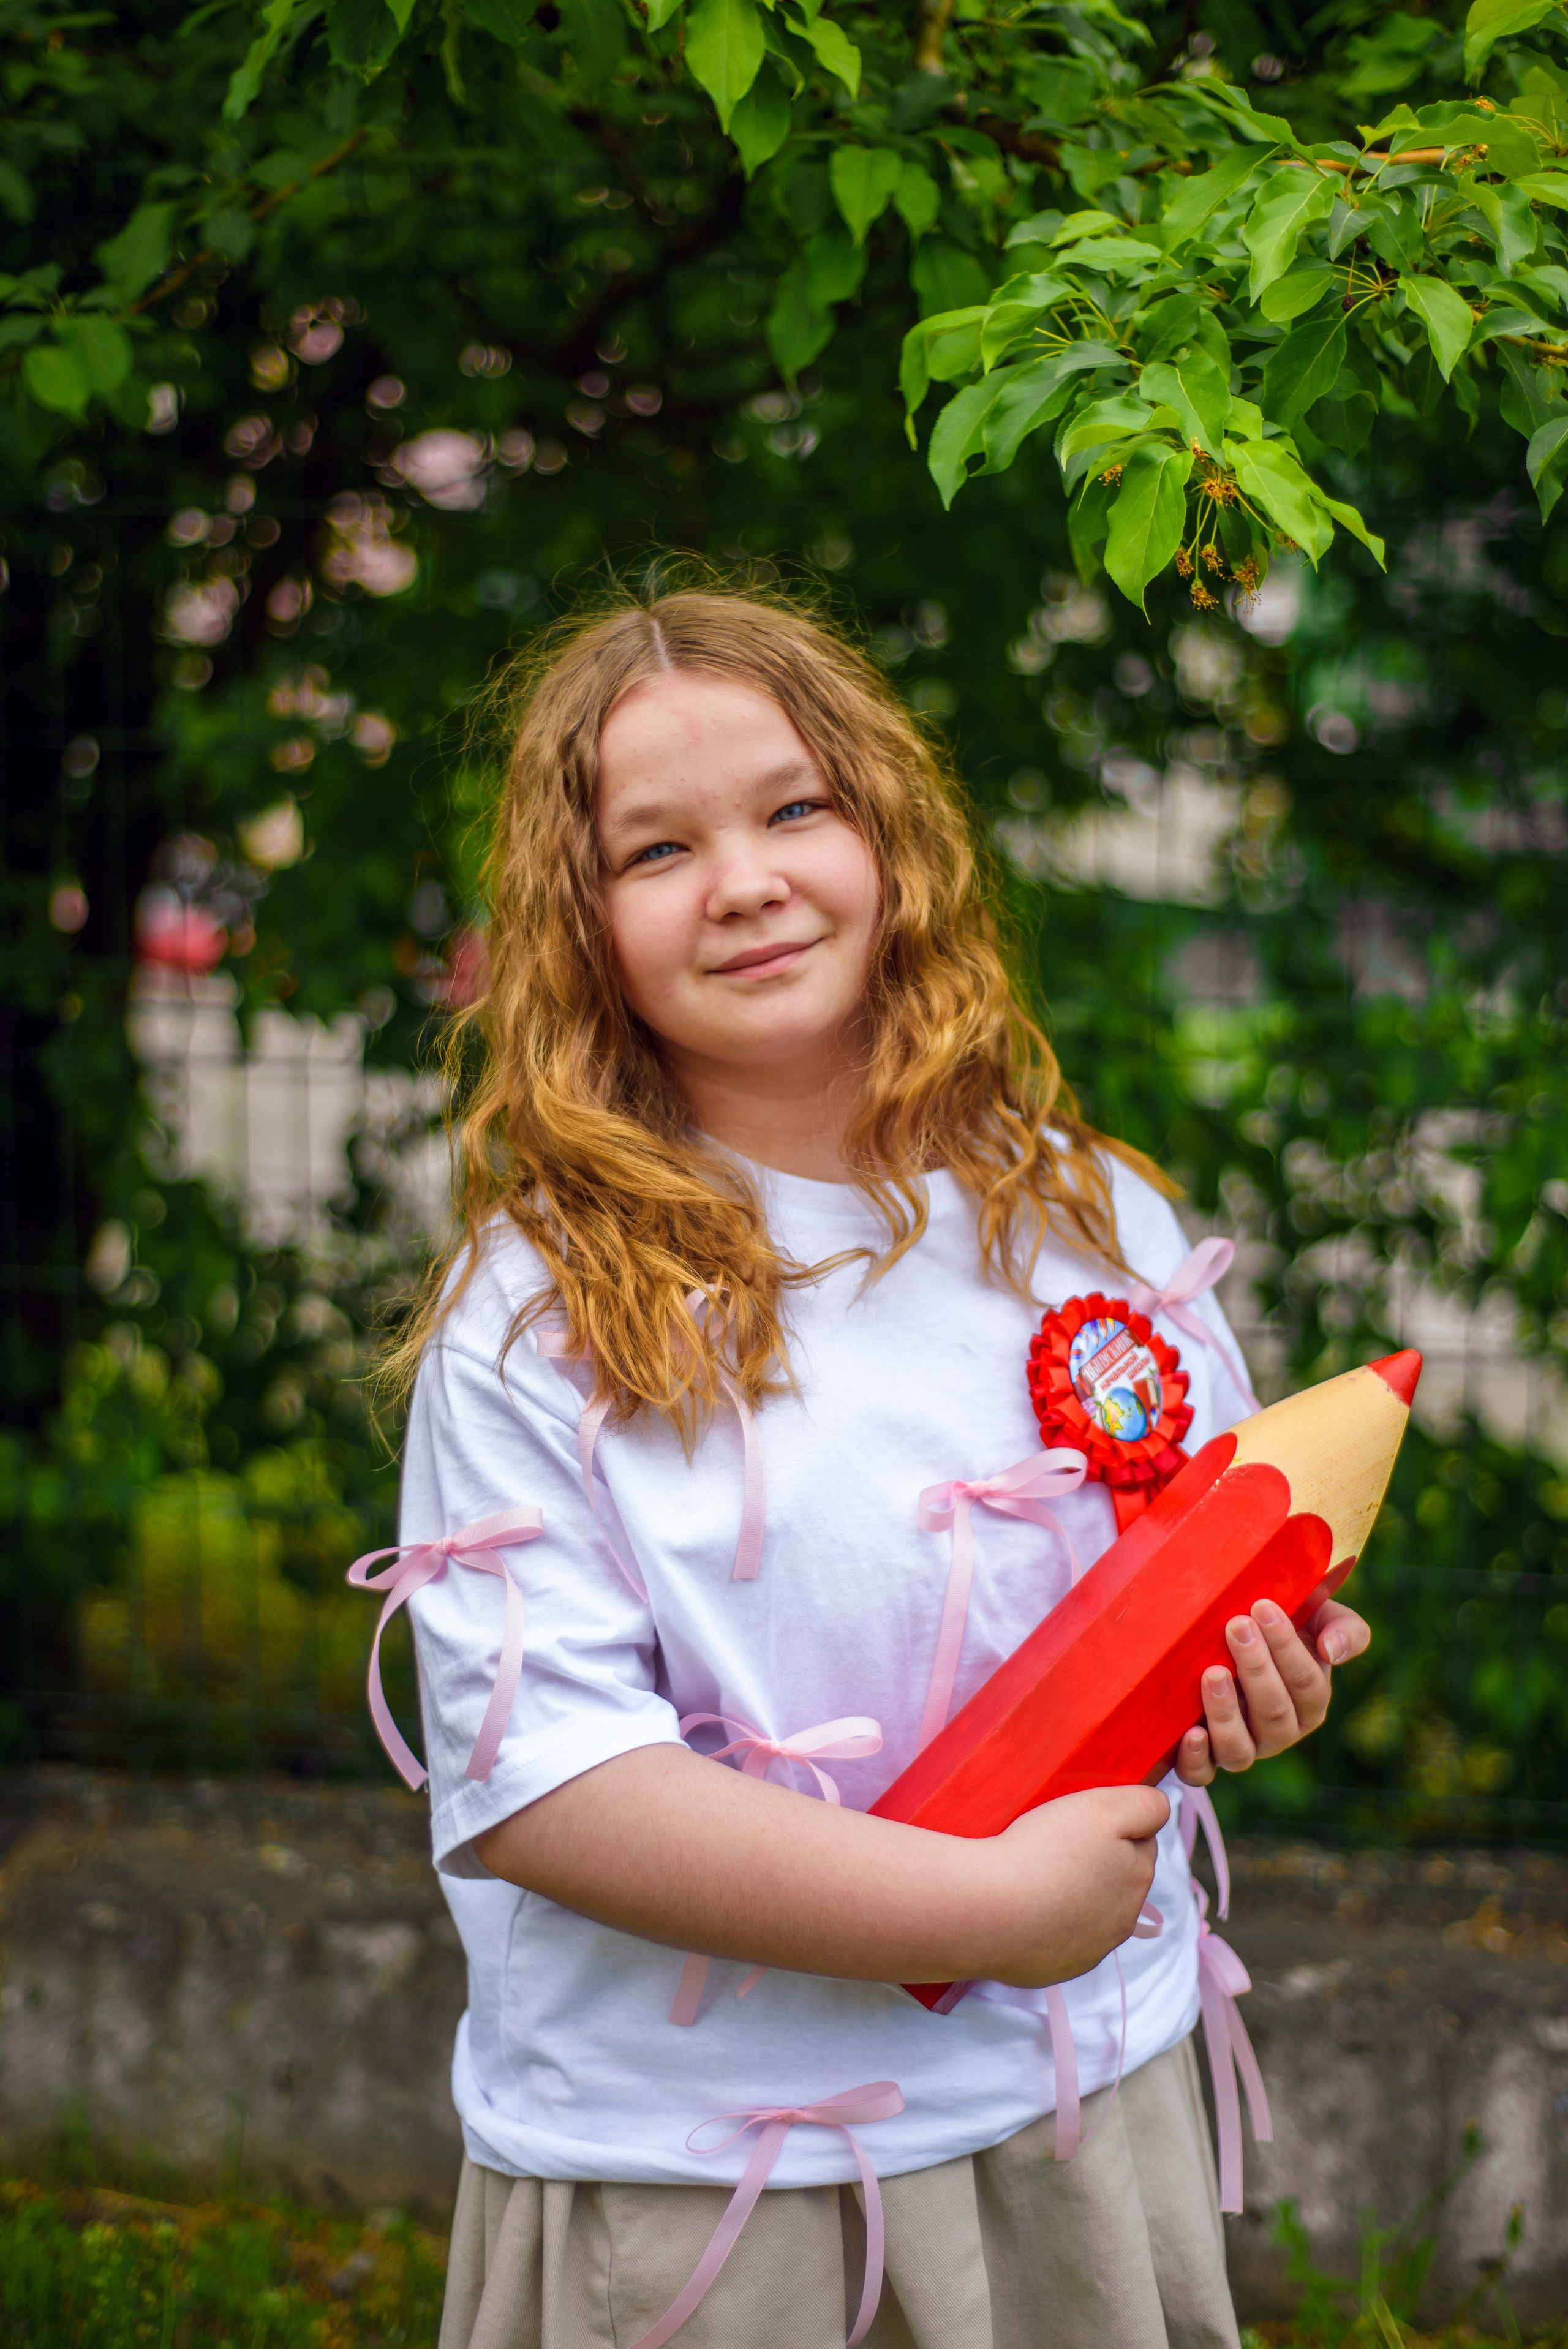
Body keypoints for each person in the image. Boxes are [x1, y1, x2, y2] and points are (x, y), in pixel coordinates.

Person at [365, 582, 1370, 2349]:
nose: (743, 878)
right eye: (656, 848)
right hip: (716, 2192)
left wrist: (1247, 1686)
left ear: (892, 834)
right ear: (578, 925)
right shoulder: (537, 1315)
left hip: (1076, 2109)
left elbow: (1171, 1605)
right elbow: (550, 1787)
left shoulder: (1092, 1213)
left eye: (792, 808)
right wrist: (980, 1903)